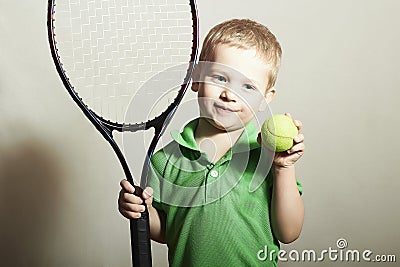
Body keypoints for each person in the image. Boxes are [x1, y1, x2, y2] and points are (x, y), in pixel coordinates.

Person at [118, 19, 305, 266]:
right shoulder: (165, 161)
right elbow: (168, 230)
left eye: (248, 86)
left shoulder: (266, 157)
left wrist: (282, 168)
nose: (230, 95)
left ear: (265, 99)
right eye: (220, 78)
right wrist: (142, 213)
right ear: (196, 78)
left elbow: (288, 233)